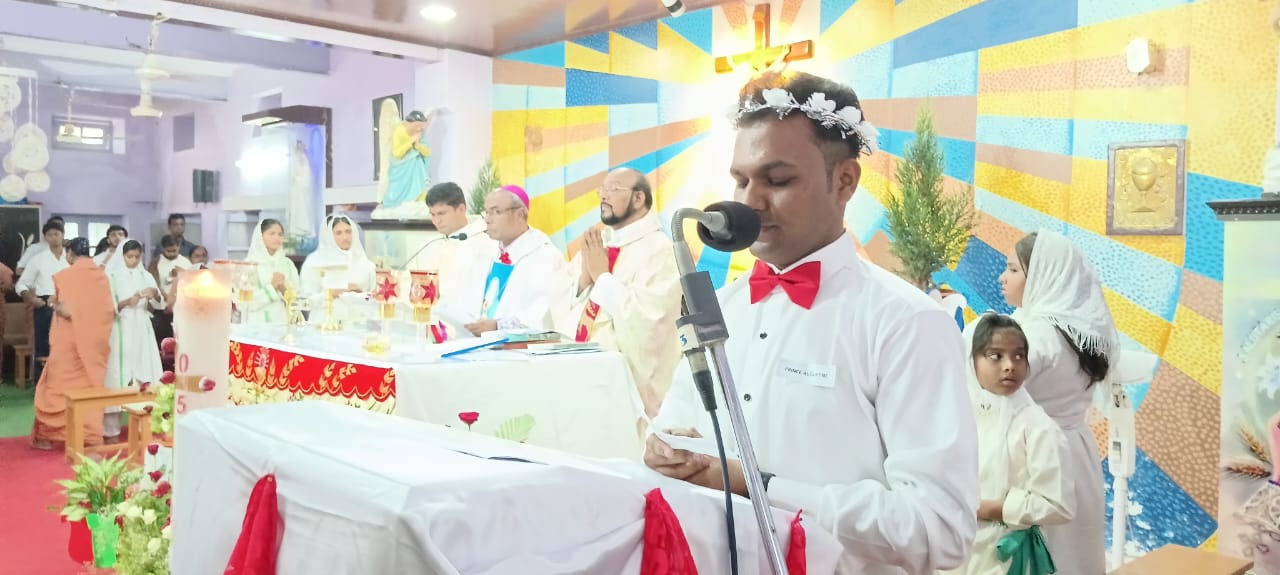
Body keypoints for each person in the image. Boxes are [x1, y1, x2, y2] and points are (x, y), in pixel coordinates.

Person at [644, 71, 978, 574]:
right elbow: (679, 427)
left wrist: (760, 487)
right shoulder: (722, 307)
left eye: (777, 181)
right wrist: (667, 450)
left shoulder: (907, 324)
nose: (749, 203)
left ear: (844, 181)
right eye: (741, 180)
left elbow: (939, 531)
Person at [998, 229, 1117, 575]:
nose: (1003, 277)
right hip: (1077, 455)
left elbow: (989, 393)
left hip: (1036, 463)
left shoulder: (1034, 336)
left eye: (1013, 269)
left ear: (1044, 276)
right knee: (1075, 556)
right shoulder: (1086, 333)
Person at [946, 313, 1072, 575]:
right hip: (954, 551)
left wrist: (994, 508)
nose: (1009, 366)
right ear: (970, 360)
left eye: (1019, 356)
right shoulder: (953, 417)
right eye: (996, 356)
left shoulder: (1037, 426)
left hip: (1005, 557)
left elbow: (1059, 504)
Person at [562, 168, 681, 417]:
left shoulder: (660, 251)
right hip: (583, 374)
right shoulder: (600, 243)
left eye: (613, 189)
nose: (603, 196)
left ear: (638, 199)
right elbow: (560, 302)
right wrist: (584, 280)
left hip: (625, 390)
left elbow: (650, 325)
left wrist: (602, 278)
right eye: (602, 190)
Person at [435, 185, 566, 336]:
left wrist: (498, 326)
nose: (488, 220)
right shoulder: (487, 250)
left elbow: (544, 315)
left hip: (518, 349)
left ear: (520, 215)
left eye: (496, 212)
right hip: (481, 343)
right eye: (487, 212)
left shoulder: (544, 257)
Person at [30, 238, 115, 450]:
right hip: (94, 343)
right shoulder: (102, 276)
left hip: (68, 342)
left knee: (57, 386)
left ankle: (48, 435)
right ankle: (90, 437)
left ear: (70, 253)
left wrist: (53, 304)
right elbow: (107, 311)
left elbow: (67, 311)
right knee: (90, 388)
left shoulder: (65, 276)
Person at [103, 240, 164, 439]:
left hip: (142, 329)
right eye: (130, 256)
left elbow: (160, 303)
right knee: (118, 375)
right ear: (122, 256)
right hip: (121, 327)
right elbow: (108, 305)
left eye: (137, 257)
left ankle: (145, 425)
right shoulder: (111, 276)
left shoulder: (145, 275)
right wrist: (127, 302)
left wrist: (154, 294)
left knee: (145, 370)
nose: (134, 260)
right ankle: (111, 428)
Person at [16, 220, 69, 383]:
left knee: (67, 345)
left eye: (56, 234)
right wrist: (31, 298)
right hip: (44, 305)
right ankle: (41, 384)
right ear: (45, 237)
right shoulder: (38, 259)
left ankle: (65, 383)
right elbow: (21, 284)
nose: (53, 238)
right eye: (49, 235)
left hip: (68, 305)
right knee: (43, 346)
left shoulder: (70, 258)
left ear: (63, 235)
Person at [300, 215, 376, 308]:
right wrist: (333, 293)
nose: (345, 237)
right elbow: (306, 302)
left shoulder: (367, 265)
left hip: (359, 315)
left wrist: (360, 293)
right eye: (339, 233)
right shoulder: (314, 262)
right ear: (329, 236)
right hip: (325, 315)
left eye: (348, 232)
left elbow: (375, 300)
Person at [241, 218, 300, 324]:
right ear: (260, 236)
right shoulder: (248, 265)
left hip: (283, 324)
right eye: (271, 233)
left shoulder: (287, 264)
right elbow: (243, 304)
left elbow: (298, 299)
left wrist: (284, 289)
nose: (277, 238)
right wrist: (272, 287)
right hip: (257, 325)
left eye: (280, 234)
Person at [382, 110, 436, 211]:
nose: (419, 129)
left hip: (416, 167)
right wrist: (411, 141)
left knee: (419, 173)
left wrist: (418, 145)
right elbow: (397, 154)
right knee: (397, 190)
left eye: (421, 126)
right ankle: (398, 202)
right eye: (416, 126)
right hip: (400, 167)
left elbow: (427, 152)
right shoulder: (399, 131)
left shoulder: (420, 133)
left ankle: (419, 199)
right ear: (408, 123)